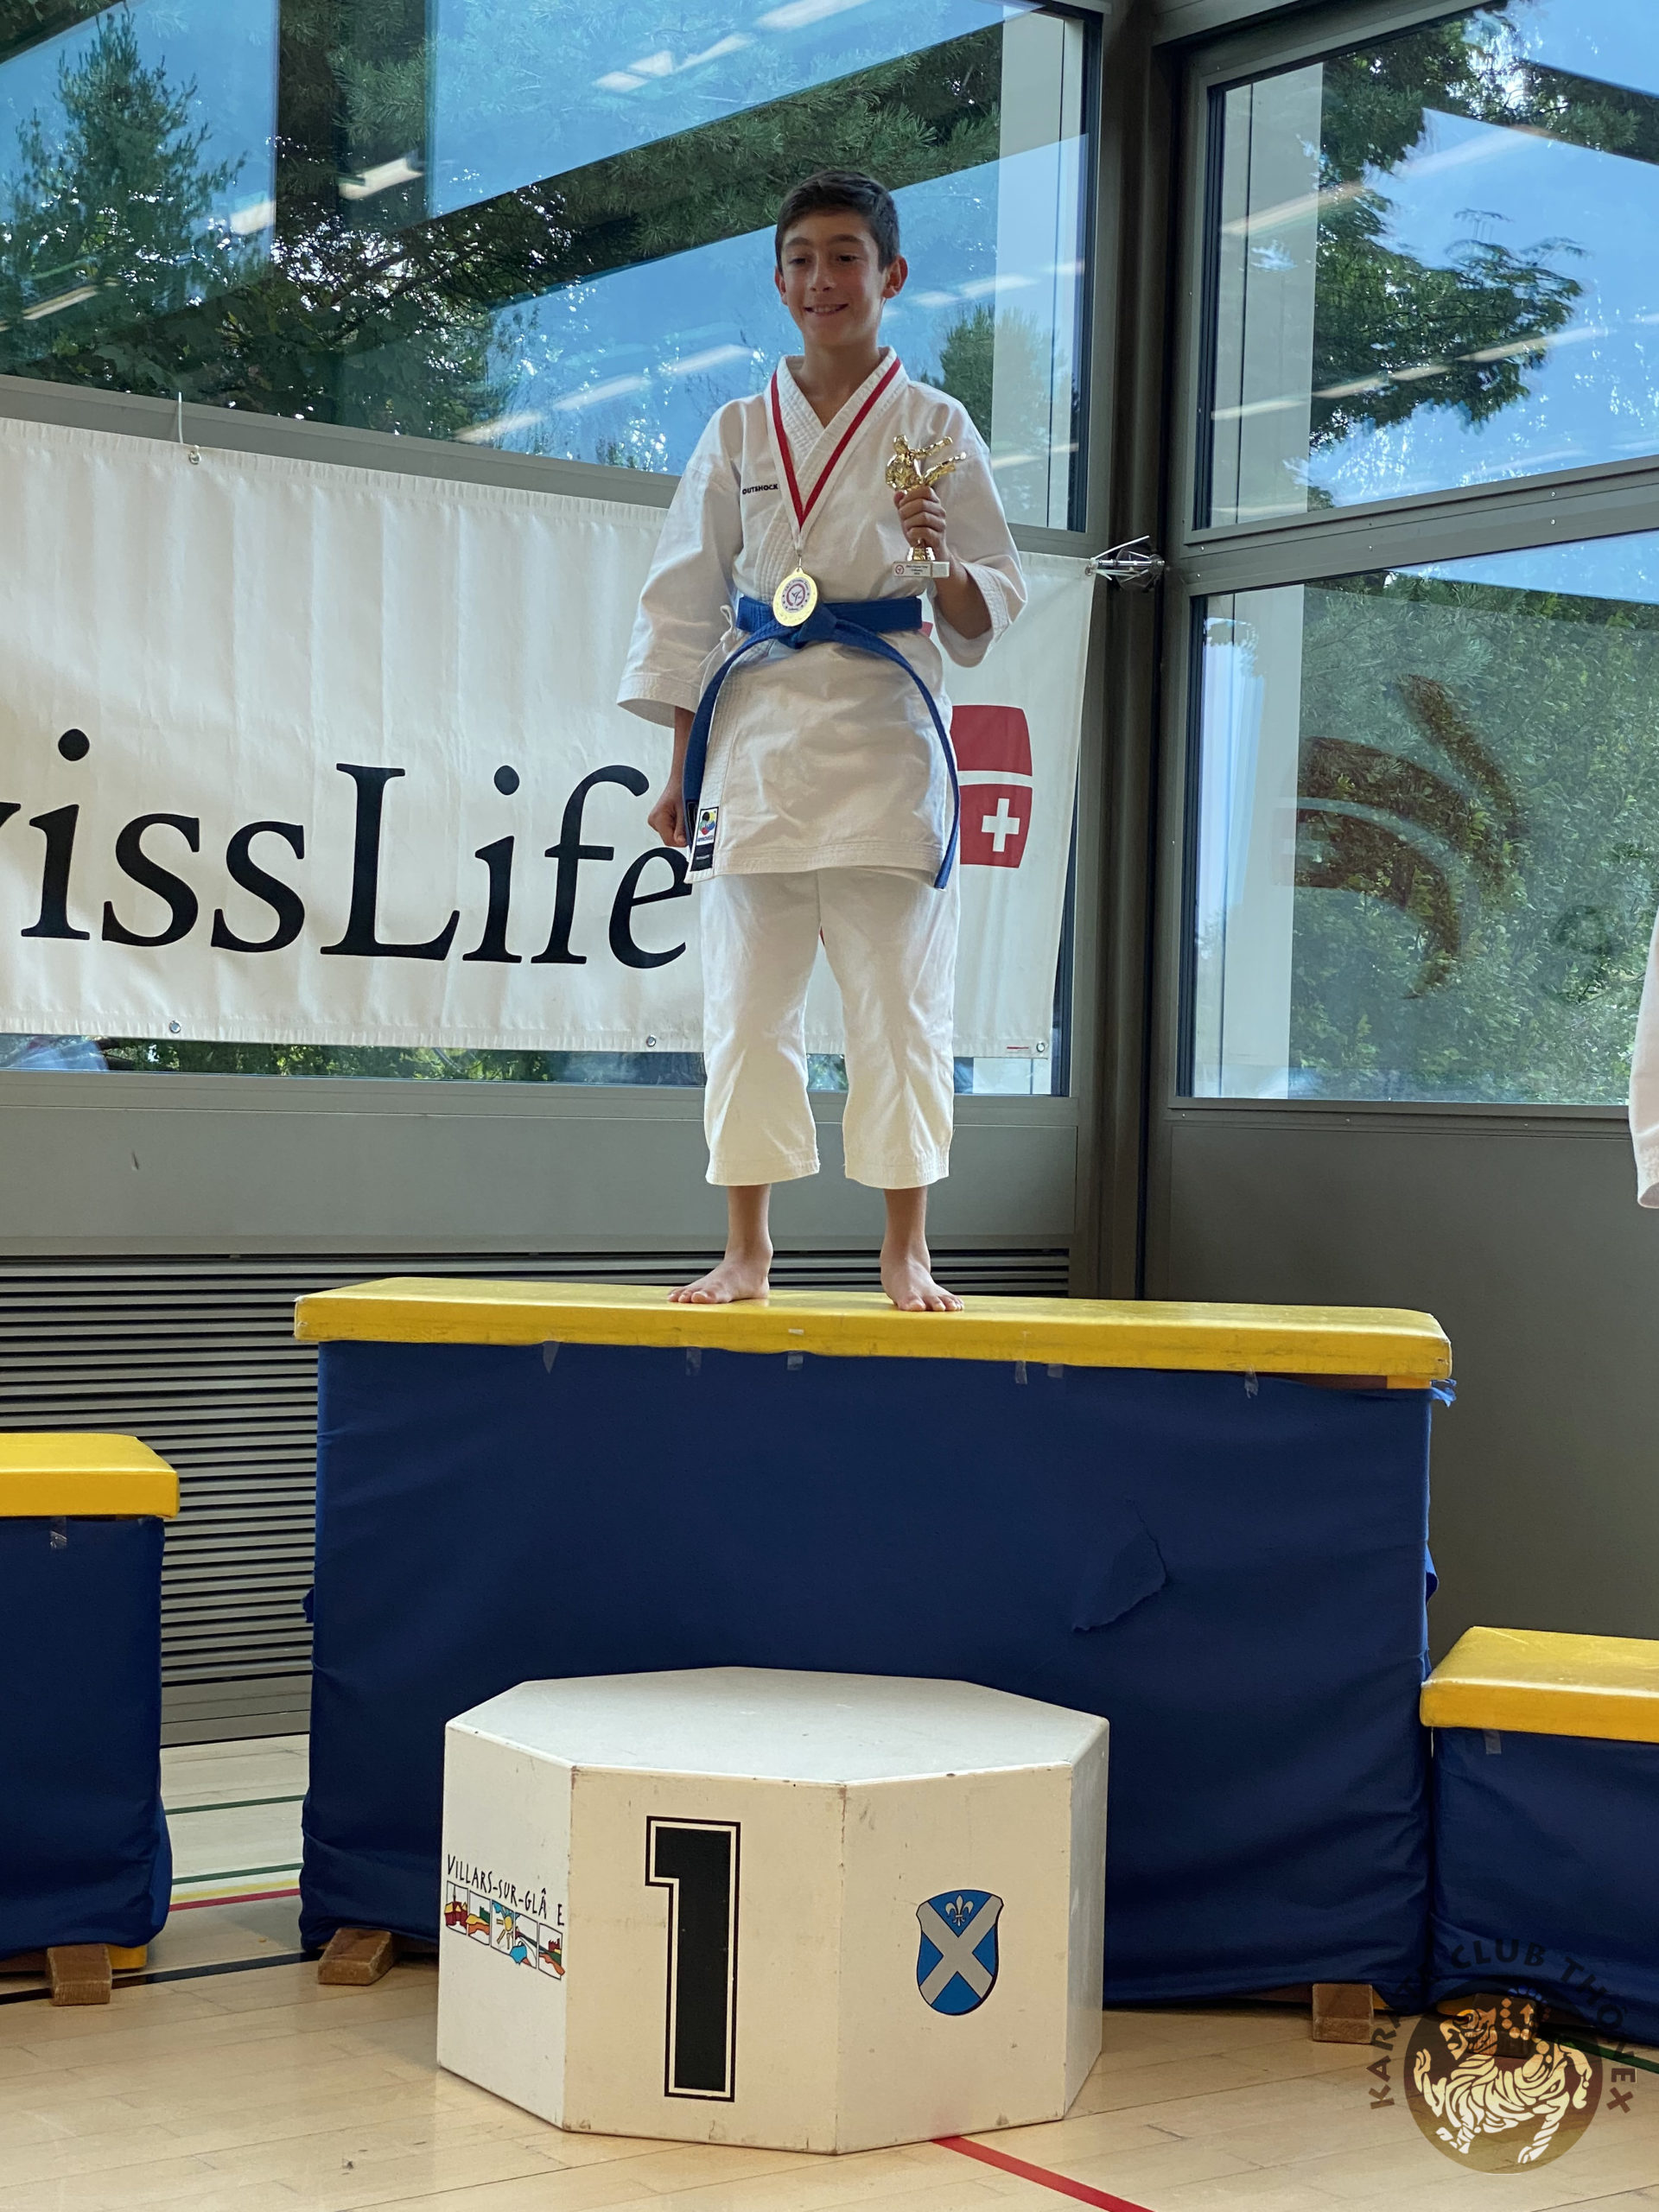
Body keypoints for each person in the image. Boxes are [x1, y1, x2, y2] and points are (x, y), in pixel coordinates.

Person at [618, 169, 1026, 1311]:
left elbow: (989, 599)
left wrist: (940, 557)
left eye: (846, 257)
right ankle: (748, 1249)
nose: (822, 279)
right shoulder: (738, 429)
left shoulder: (936, 426)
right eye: (802, 259)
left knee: (898, 1005)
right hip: (755, 742)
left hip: (885, 742)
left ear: (891, 276)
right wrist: (679, 767)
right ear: (779, 280)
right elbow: (685, 607)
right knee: (746, 1010)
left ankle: (907, 1250)